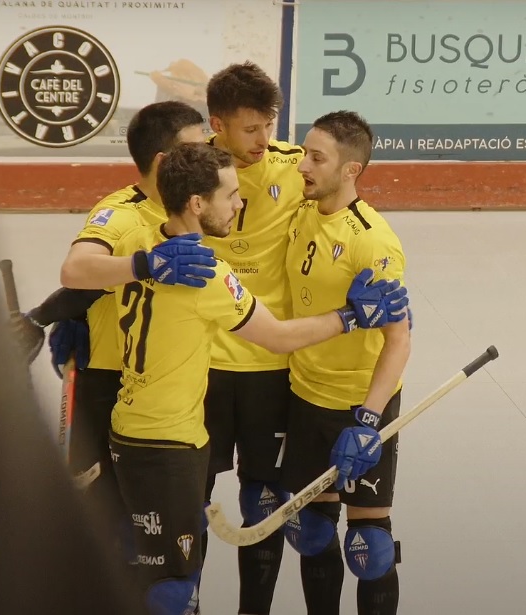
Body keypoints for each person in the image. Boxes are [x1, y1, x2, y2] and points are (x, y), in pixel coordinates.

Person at [107, 142, 409, 615]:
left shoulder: (138, 245)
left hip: (128, 429)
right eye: (231, 195)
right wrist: (353, 316)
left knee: (155, 572)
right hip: (171, 443)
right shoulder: (205, 274)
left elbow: (88, 273)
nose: (240, 203)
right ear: (197, 204)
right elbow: (280, 337)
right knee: (171, 592)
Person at [9, 101, 219, 548]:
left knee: (180, 532)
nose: (210, 158)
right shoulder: (121, 212)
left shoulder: (207, 205)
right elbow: (79, 273)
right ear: (163, 162)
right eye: (197, 149)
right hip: (112, 384)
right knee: (113, 529)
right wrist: (51, 316)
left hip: (177, 393)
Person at [280, 111, 411, 615]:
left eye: (316, 158)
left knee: (369, 547)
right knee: (313, 533)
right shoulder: (302, 211)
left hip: (359, 408)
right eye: (304, 154)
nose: (303, 167)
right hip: (304, 395)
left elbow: (398, 341)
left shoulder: (373, 241)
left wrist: (369, 420)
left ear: (351, 170)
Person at [198, 61, 306, 614]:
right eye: (249, 129)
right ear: (218, 125)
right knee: (189, 495)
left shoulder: (294, 166)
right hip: (202, 364)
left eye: (269, 125)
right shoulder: (190, 170)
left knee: (263, 497)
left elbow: (343, 197)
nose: (264, 140)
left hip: (271, 362)